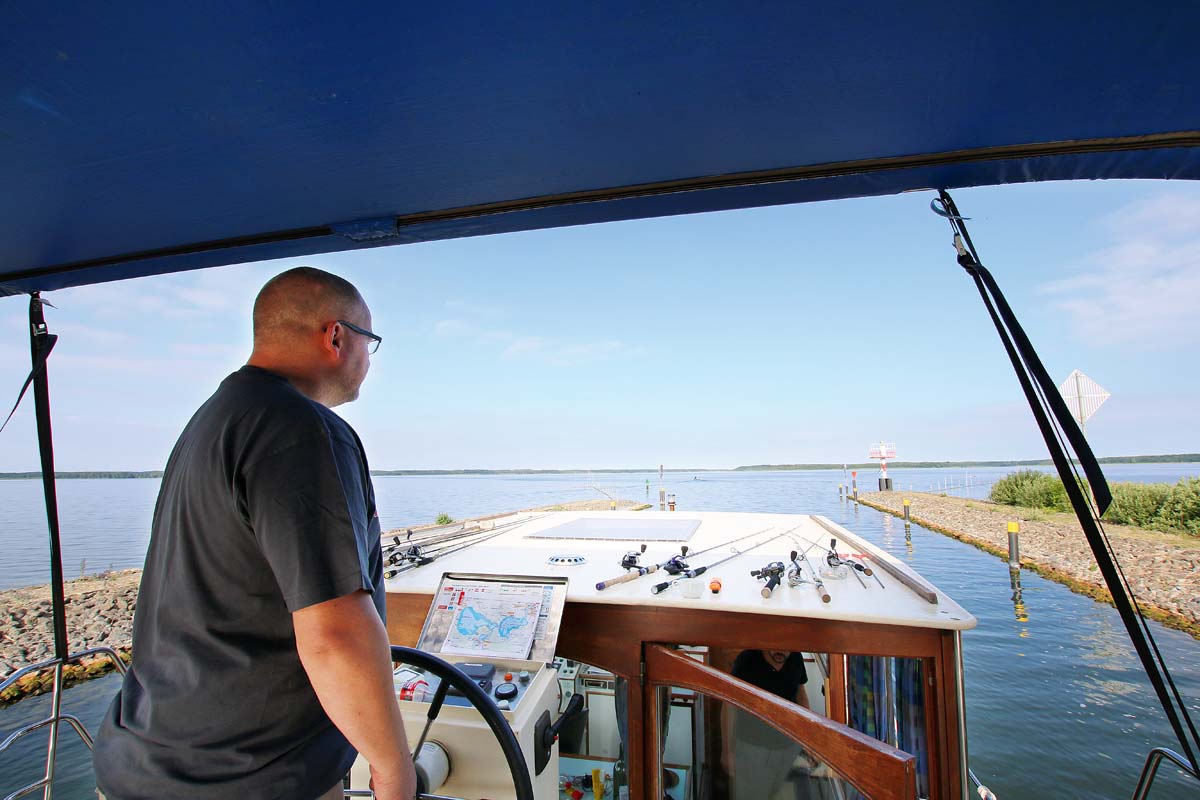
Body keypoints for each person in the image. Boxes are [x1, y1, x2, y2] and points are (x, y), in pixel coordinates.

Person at [93, 267, 416, 800]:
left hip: (141, 761)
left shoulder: (213, 420)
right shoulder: (303, 430)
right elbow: (335, 631)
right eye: (369, 342)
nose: (367, 361)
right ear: (336, 336)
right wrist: (393, 772)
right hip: (250, 776)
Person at [723, 650, 810, 800]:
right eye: (775, 644)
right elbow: (728, 706)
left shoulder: (796, 657)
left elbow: (801, 695)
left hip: (788, 749)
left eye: (786, 646)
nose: (780, 650)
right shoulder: (747, 660)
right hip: (752, 750)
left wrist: (809, 741)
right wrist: (727, 751)